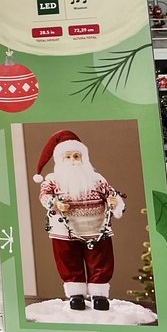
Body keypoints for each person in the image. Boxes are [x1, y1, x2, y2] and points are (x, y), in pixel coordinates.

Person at [33, 130, 124, 311]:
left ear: (84, 157)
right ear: (60, 159)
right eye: (68, 157)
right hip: (64, 231)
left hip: (96, 230)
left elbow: (111, 194)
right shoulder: (52, 180)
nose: (73, 160)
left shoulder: (97, 179)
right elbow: (44, 196)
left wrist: (114, 202)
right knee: (69, 260)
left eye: (76, 156)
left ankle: (99, 295)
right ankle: (76, 295)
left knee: (100, 261)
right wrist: (55, 203)